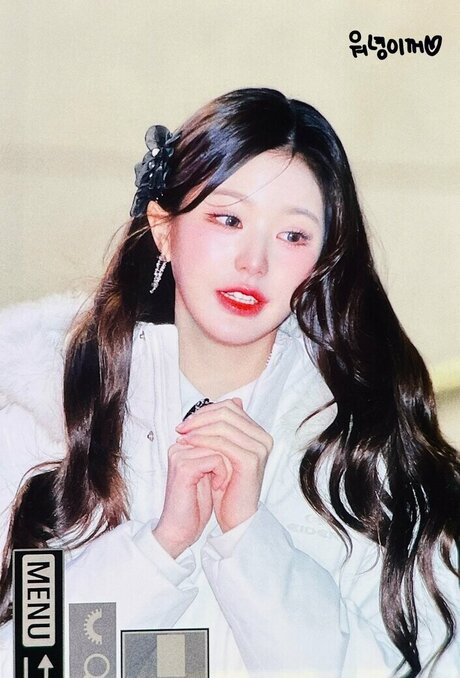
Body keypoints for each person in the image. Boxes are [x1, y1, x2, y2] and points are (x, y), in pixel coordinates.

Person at [0, 88, 458, 677]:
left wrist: (248, 543)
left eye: (293, 236)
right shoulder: (52, 420)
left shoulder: (366, 453)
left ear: (322, 260)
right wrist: (159, 550)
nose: (253, 261)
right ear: (164, 229)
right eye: (228, 218)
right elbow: (29, 660)